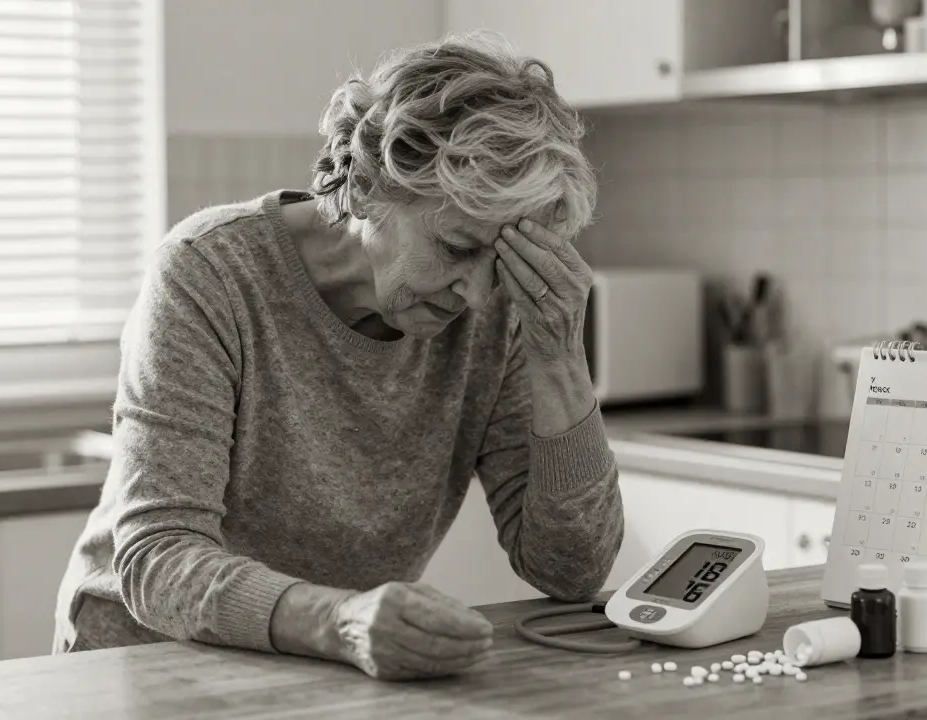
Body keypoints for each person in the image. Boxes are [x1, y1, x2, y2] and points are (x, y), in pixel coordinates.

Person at [54, 31, 624, 681]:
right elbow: (157, 559)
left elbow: (570, 572)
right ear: (365, 184)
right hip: (142, 663)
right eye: (458, 247)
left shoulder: (493, 309)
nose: (475, 293)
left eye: (498, 262)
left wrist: (560, 357)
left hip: (323, 670)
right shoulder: (209, 272)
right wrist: (340, 620)